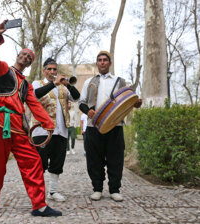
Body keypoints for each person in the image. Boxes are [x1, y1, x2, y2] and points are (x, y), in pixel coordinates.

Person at [0, 20, 62, 217]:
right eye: (24, 54)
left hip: (18, 127)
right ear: (18, 55)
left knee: (34, 161)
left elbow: (34, 104)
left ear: (30, 63)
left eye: (30, 57)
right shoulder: (3, 70)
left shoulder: (27, 85)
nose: (26, 57)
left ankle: (39, 205)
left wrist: (49, 124)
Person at [79, 51, 142, 202]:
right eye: (99, 60)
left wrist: (136, 103)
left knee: (116, 159)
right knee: (94, 160)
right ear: (97, 63)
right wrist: (89, 111)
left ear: (110, 63)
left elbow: (129, 101)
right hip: (94, 126)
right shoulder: (89, 82)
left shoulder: (120, 81)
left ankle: (114, 190)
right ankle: (97, 189)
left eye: (105, 60)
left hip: (115, 125)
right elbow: (81, 103)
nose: (102, 62)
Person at [32, 58, 80, 202]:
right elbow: (36, 95)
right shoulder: (37, 83)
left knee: (57, 163)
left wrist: (68, 84)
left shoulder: (63, 87)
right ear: (44, 70)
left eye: (55, 69)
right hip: (42, 131)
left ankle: (53, 191)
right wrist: (54, 83)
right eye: (49, 69)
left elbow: (77, 98)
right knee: (40, 163)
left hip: (61, 130)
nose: (52, 72)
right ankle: (38, 193)